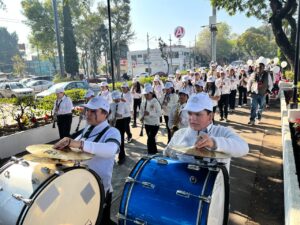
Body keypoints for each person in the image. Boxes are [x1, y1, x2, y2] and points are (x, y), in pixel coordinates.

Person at [53, 96, 121, 225]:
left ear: (105, 113)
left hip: (98, 187)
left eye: (93, 111)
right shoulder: (88, 129)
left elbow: (110, 150)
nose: (88, 114)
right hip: (80, 183)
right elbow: (74, 147)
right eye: (88, 110)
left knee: (99, 220)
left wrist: (80, 144)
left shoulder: (112, 132)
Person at [164, 93, 249, 172]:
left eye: (197, 114)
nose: (192, 118)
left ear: (210, 116)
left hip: (213, 187)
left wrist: (214, 143)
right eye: (190, 113)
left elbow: (244, 147)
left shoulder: (221, 132)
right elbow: (166, 155)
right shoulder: (180, 133)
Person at [247, 58, 273, 125]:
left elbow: (271, 84)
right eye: (259, 67)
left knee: (260, 107)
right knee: (253, 107)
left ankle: (258, 118)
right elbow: (249, 83)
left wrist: (268, 90)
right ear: (257, 67)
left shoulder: (267, 75)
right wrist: (249, 90)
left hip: (262, 94)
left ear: (264, 67)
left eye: (261, 67)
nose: (260, 68)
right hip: (254, 93)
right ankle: (252, 120)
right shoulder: (253, 74)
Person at [109, 90, 130, 165]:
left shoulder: (124, 104)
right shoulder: (111, 104)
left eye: (117, 98)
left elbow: (128, 114)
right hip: (113, 123)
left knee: (121, 140)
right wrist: (110, 118)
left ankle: (122, 157)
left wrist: (121, 116)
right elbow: (109, 115)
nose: (116, 100)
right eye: (115, 98)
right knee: (113, 140)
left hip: (121, 122)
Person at [140, 85, 162, 155]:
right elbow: (141, 112)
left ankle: (150, 153)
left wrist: (149, 113)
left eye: (147, 94)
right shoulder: (143, 102)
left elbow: (159, 113)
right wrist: (141, 117)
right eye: (145, 94)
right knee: (151, 140)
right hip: (147, 123)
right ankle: (154, 153)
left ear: (151, 93)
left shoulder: (155, 102)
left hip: (154, 124)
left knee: (150, 139)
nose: (146, 96)